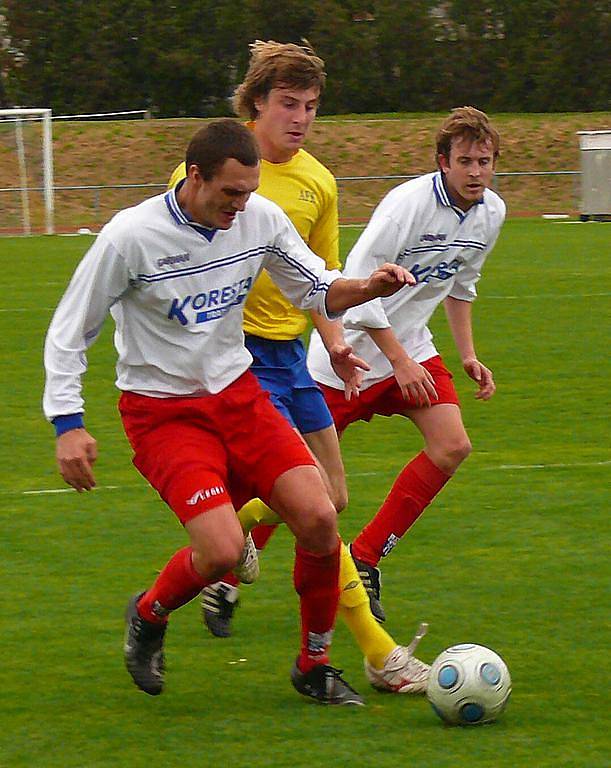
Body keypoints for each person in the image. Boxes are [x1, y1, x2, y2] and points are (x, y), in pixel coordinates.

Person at [43, 119, 414, 706]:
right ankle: (149, 614)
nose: (241, 206)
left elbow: (316, 287)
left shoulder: (259, 219)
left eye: (249, 191)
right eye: (230, 193)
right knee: (219, 552)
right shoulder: (130, 237)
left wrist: (367, 287)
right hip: (162, 412)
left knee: (319, 516)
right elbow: (69, 331)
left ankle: (313, 664)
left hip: (240, 397)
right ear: (195, 177)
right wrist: (68, 423)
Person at [168, 41, 431, 694]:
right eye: (288, 103)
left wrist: (336, 341)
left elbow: (318, 280)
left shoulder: (318, 181)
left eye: (311, 106)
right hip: (234, 361)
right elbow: (169, 259)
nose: (300, 118)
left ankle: (243, 534)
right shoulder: (209, 170)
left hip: (291, 358)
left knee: (331, 498)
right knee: (319, 513)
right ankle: (373, 652)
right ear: (256, 102)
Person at [308, 106, 506, 622]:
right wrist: (395, 361)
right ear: (442, 162)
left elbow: (461, 286)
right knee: (303, 483)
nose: (476, 172)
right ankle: (232, 569)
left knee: (452, 445)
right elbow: (354, 285)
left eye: (484, 161)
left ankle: (365, 558)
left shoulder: (491, 214)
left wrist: (466, 355)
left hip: (411, 349)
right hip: (346, 355)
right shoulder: (406, 206)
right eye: (464, 161)